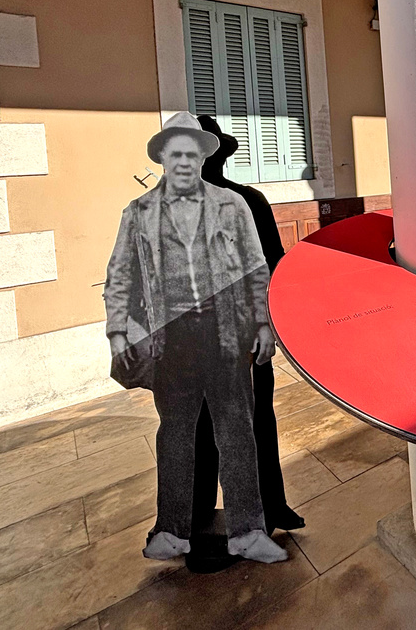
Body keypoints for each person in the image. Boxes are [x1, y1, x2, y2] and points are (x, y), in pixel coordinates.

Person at [103, 112, 287, 564]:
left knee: (238, 431)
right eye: (175, 152)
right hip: (172, 342)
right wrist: (118, 332)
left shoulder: (234, 205)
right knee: (176, 434)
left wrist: (263, 325)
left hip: (226, 336)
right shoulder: (139, 213)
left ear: (205, 156)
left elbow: (257, 268)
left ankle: (248, 532)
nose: (184, 161)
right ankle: (171, 530)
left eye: (192, 152)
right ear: (164, 157)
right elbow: (119, 276)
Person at [191, 115, 305, 538]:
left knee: (258, 422)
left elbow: (274, 268)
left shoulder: (249, 201)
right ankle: (193, 523)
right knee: (200, 433)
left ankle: (270, 506)